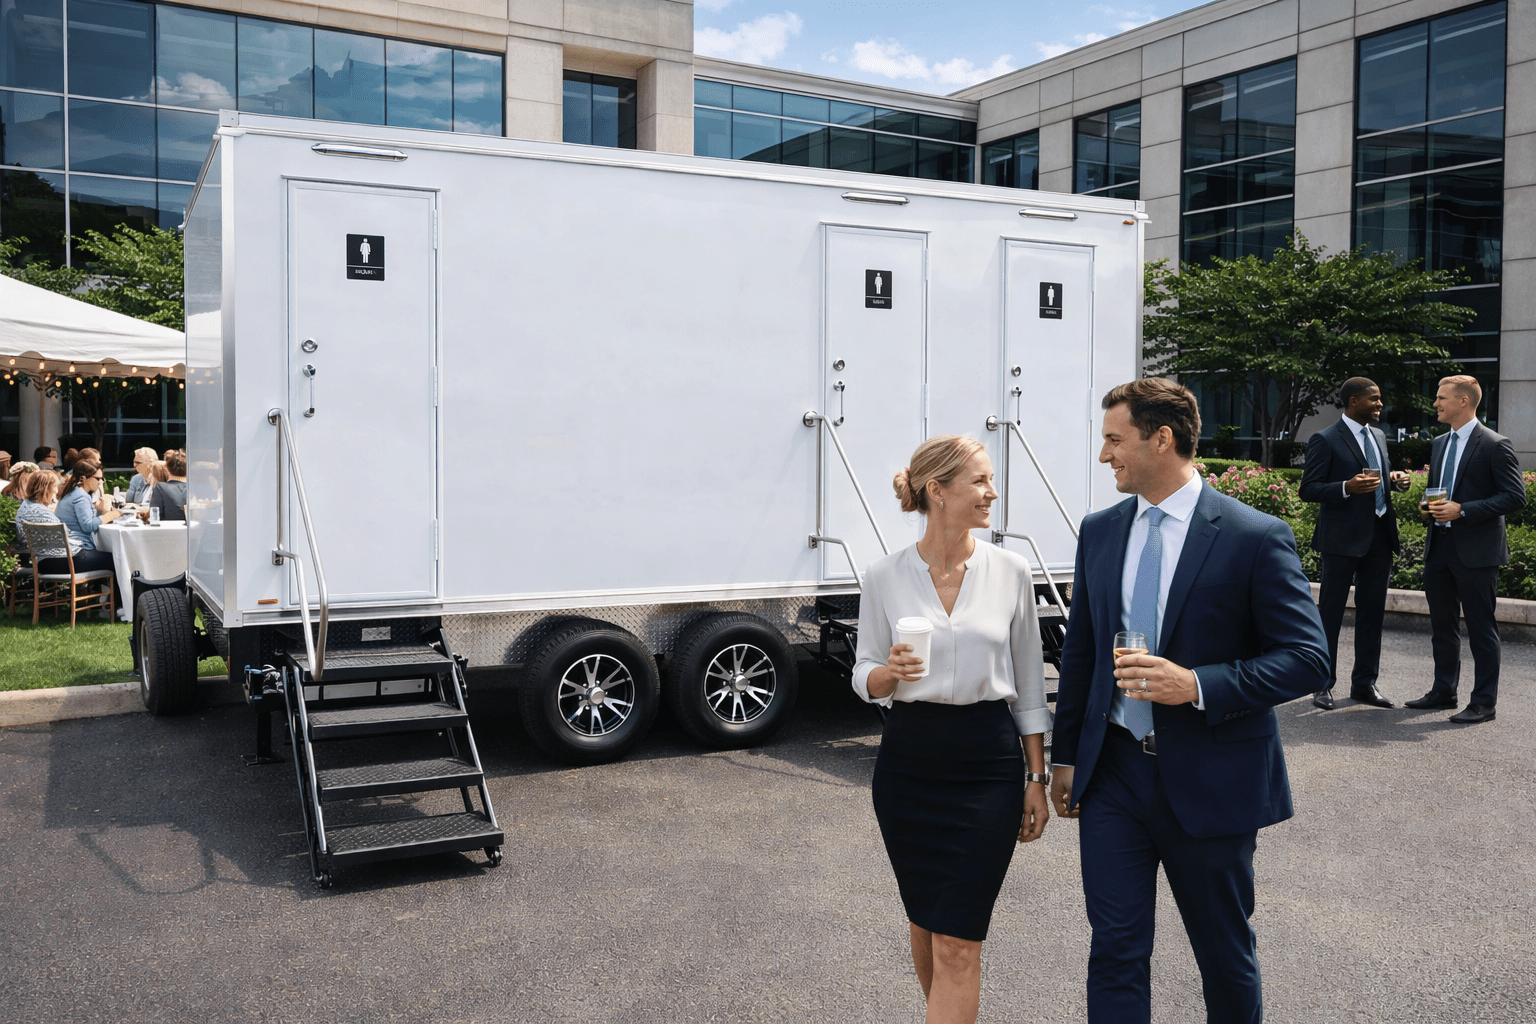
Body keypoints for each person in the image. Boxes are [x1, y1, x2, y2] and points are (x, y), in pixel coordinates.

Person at [1050, 378, 1328, 1024]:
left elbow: (1308, 659)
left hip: (1212, 778)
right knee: (1115, 950)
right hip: (1114, 773)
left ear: (1162, 439)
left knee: (1223, 956)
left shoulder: (1253, 536)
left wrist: (1197, 685)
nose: (1104, 456)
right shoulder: (1099, 532)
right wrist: (1067, 757)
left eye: (1114, 441)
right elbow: (1082, 656)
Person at [853, 434, 1051, 1024]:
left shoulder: (1010, 571)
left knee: (960, 940)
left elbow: (1031, 685)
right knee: (925, 925)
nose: (993, 493)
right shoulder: (884, 575)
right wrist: (886, 675)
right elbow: (863, 670)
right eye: (981, 481)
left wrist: (1035, 776)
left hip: (986, 765)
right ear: (936, 491)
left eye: (991, 481)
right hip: (909, 763)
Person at [1404, 375, 1526, 725]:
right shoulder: (1440, 442)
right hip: (1439, 547)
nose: (1436, 404)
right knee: (1442, 626)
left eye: (1441, 398)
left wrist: (1465, 509)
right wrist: (1428, 507)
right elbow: (1438, 489)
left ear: (1463, 401)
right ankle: (1444, 690)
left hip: (1477, 552)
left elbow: (1515, 497)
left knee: (1481, 628)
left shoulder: (1495, 444)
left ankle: (1484, 702)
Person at [1298, 377, 1411, 710]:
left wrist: (1396, 480)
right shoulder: (1326, 438)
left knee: (1372, 614)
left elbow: (1377, 475)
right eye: (1373, 399)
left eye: (1379, 398)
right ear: (1353, 401)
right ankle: (1322, 683)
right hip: (1341, 541)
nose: (1379, 404)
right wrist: (1346, 487)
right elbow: (1309, 489)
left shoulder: (1377, 436)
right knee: (1330, 614)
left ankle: (1365, 684)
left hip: (1379, 537)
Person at [53, 457, 122, 573]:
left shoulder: (72, 492)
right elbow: (87, 526)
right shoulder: (81, 496)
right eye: (97, 478)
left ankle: (101, 589)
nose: (101, 482)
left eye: (102, 479)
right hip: (76, 554)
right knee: (118, 559)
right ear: (83, 478)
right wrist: (110, 515)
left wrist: (101, 511)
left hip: (66, 553)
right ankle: (115, 592)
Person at [14, 469, 66, 568]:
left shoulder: (26, 505)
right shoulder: (42, 514)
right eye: (55, 487)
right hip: (55, 563)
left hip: (41, 560)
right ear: (46, 489)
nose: (57, 490)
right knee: (103, 558)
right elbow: (63, 543)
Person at [148, 450, 189, 522]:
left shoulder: (160, 487)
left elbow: (154, 517)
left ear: (167, 468)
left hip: (169, 532)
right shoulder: (196, 488)